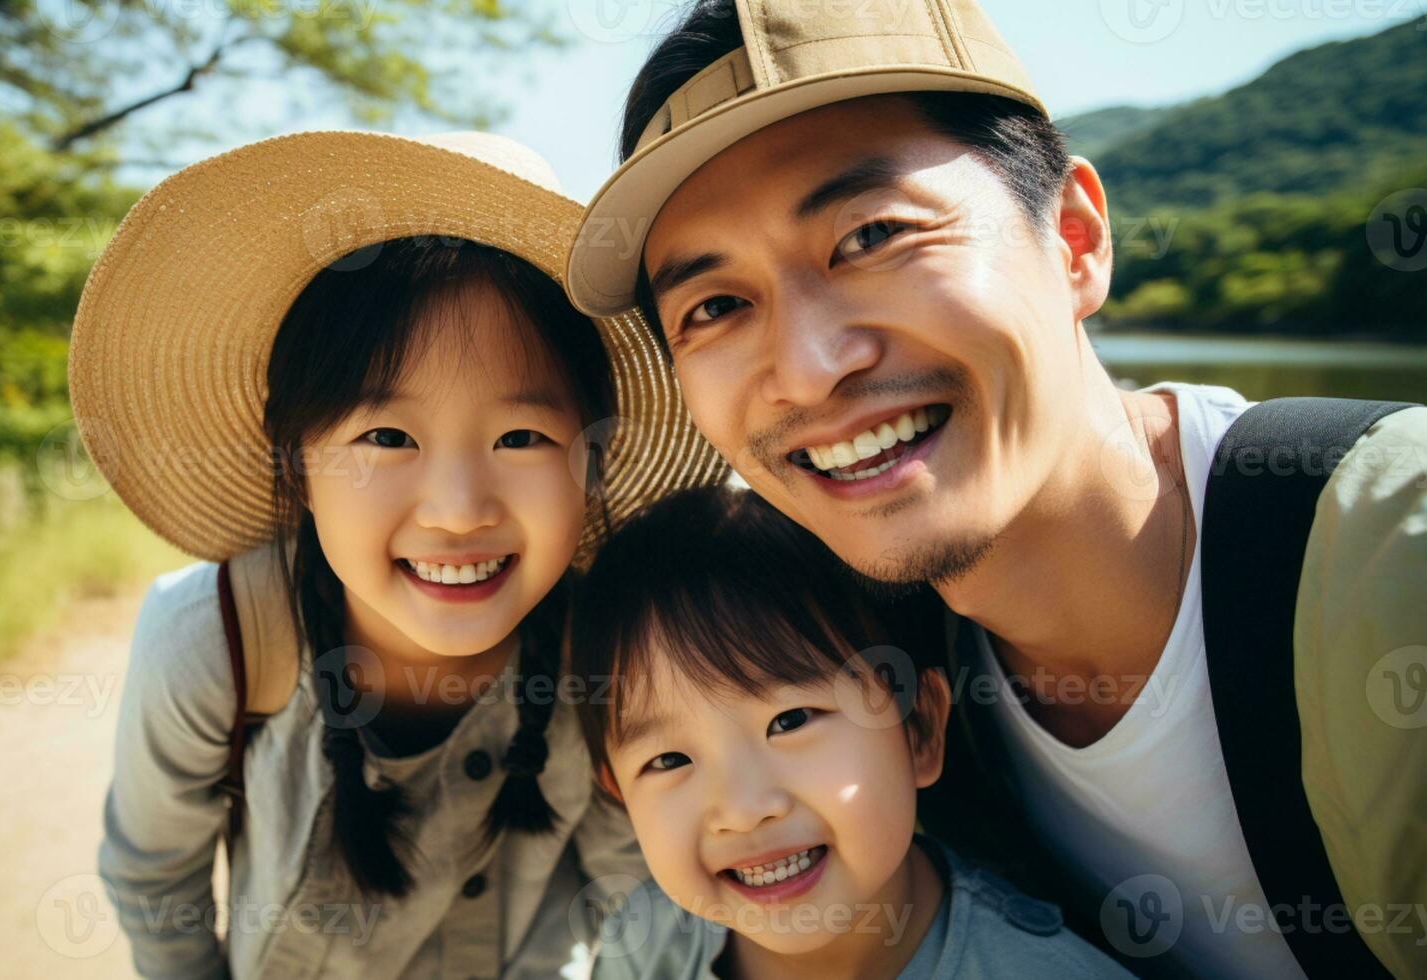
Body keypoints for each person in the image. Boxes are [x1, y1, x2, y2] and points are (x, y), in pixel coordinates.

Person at [563, 2, 1427, 977]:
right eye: (716, 305)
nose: (806, 369)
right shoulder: (849, 634)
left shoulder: (1395, 559)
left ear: (1074, 238)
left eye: (873, 234)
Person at [69, 130, 728, 978]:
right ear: (297, 463)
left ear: (592, 464)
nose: (457, 512)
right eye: (386, 436)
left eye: (521, 437)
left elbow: (629, 890)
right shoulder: (217, 642)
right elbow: (156, 880)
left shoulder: (607, 652)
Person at [566, 485, 1134, 979]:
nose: (742, 809)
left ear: (919, 729)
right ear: (618, 793)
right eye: (668, 761)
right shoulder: (642, 948)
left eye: (789, 722)